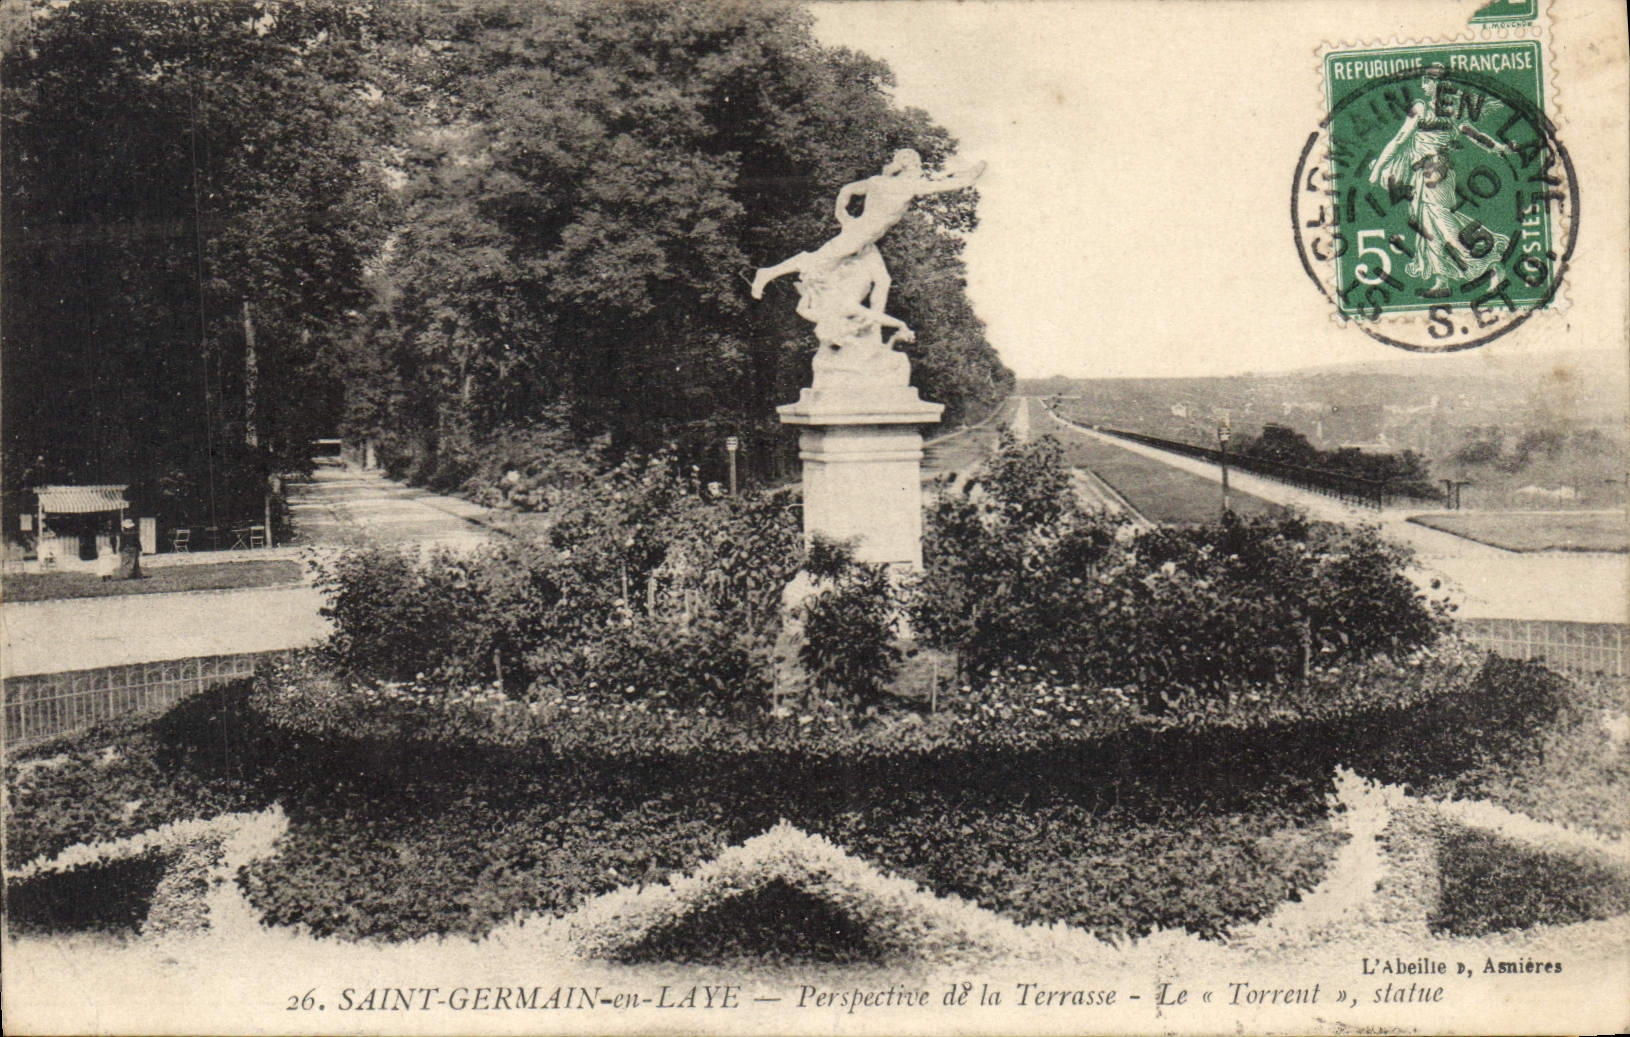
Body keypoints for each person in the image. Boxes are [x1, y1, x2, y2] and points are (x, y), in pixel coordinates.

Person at [751, 149, 986, 299]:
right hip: (861, 235)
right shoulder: (908, 186)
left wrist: (840, 212)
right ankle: (767, 273)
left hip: (865, 236)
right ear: (909, 167)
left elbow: (847, 190)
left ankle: (867, 330)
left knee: (882, 280)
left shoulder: (877, 182)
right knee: (818, 260)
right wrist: (971, 175)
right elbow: (945, 185)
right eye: (916, 166)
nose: (919, 170)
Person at [1367, 67, 1514, 298]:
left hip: (1437, 177)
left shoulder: (1433, 110)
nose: (1425, 85)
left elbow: (1399, 140)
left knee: (1444, 224)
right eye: (1426, 80)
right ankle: (1441, 280)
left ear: (1439, 84)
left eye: (1429, 80)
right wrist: (1496, 147)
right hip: (1422, 176)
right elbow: (1472, 134)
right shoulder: (1439, 110)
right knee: (1427, 227)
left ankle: (1492, 264)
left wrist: (1377, 170)